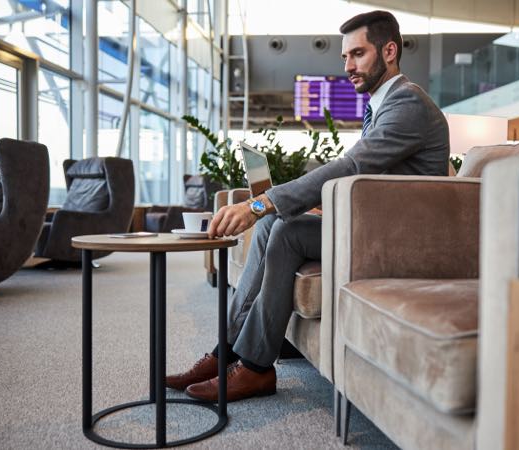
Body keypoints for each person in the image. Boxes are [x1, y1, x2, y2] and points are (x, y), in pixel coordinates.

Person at [167, 10, 451, 402]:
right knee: (274, 224)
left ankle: (255, 368)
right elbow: (365, 180)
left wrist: (261, 202)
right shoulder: (383, 105)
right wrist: (308, 207)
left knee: (281, 227)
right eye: (344, 57)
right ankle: (227, 351)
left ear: (389, 51)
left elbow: (351, 166)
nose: (348, 66)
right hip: (378, 223)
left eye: (358, 54)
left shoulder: (408, 104)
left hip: (405, 238)